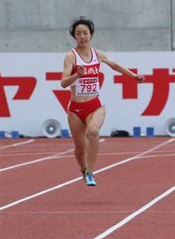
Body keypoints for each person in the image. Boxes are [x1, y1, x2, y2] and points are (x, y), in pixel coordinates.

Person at [61, 17, 144, 186]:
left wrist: (134, 76)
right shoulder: (71, 56)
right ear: (74, 37)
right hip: (76, 109)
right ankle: (84, 169)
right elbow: (63, 83)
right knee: (79, 150)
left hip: (95, 105)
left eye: (85, 33)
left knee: (93, 132)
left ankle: (91, 172)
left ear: (91, 34)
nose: (82, 37)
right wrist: (77, 75)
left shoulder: (97, 54)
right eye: (78, 34)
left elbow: (115, 66)